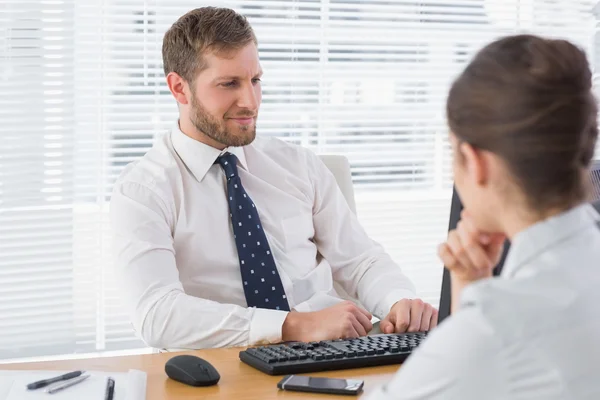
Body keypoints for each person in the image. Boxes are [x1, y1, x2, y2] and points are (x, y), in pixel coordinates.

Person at [109, 7, 437, 350]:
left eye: (255, 80)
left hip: (328, 352)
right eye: (229, 84)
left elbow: (359, 259)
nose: (250, 102)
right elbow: (157, 314)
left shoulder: (298, 165)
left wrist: (398, 300)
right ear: (180, 88)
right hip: (222, 366)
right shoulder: (143, 190)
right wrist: (290, 325)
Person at [368, 34, 600, 399]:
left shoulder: (498, 328)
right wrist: (471, 286)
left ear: (476, 163)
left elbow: (475, 359)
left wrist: (473, 316)